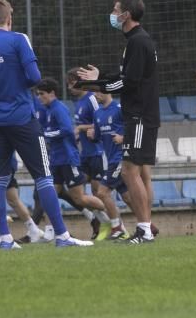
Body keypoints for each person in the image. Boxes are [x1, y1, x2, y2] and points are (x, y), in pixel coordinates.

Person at [0, 0, 92, 249]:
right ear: (9, 19)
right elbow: (34, 77)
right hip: (22, 117)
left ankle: (4, 238)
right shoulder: (18, 39)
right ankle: (62, 236)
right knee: (43, 176)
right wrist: (12, 82)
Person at [77, 0, 160, 245]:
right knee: (130, 172)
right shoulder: (134, 41)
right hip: (137, 116)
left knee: (130, 171)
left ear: (126, 15)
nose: (112, 14)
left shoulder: (138, 42)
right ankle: (144, 228)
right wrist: (100, 77)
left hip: (139, 117)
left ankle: (144, 229)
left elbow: (128, 82)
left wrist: (97, 83)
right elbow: (126, 76)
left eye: (116, 10)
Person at [35, 78, 112, 229]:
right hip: (56, 160)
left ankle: (114, 221)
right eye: (37, 94)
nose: (39, 97)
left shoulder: (59, 108)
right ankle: (51, 231)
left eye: (41, 94)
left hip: (67, 159)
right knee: (48, 196)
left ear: (52, 93)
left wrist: (45, 135)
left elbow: (66, 130)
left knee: (80, 198)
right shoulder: (49, 109)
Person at [67, 67, 111, 239]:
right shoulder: (78, 103)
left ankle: (114, 225)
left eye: (73, 84)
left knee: (97, 193)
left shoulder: (92, 99)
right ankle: (105, 222)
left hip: (98, 153)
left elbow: (100, 122)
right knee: (77, 193)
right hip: (84, 154)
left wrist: (79, 128)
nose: (70, 88)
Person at [90, 90, 132, 240]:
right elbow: (98, 137)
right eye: (94, 92)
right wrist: (93, 135)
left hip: (121, 158)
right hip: (110, 160)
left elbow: (136, 128)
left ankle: (117, 227)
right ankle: (147, 225)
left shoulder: (120, 109)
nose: (95, 95)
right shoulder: (97, 113)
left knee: (102, 192)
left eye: (98, 91)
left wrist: (123, 138)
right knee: (128, 198)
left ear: (108, 91)